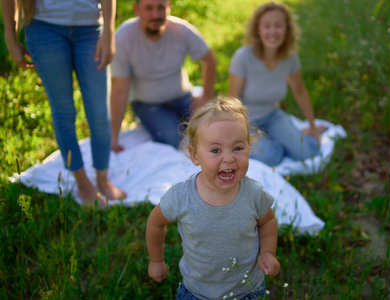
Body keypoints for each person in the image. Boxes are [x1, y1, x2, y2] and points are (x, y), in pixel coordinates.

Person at [146, 96, 280, 299]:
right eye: (215, 150)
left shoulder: (253, 193)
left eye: (238, 148)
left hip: (247, 290)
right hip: (197, 292)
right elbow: (155, 223)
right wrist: (156, 260)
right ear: (195, 155)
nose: (229, 158)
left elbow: (267, 220)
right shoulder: (181, 196)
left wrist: (268, 252)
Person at [1, 0, 127, 206]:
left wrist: (109, 32)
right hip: (43, 29)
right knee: (63, 110)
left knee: (99, 113)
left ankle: (102, 180)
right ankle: (83, 183)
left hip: (91, 29)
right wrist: (10, 35)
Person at [229, 1, 327, 167]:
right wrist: (234, 133)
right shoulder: (243, 57)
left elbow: (300, 92)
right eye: (267, 26)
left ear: (287, 30)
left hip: (273, 115)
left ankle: (288, 135)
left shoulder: (289, 57)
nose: (273, 32)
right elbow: (232, 99)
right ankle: (273, 140)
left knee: (307, 152)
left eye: (278, 26)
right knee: (272, 157)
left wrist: (312, 126)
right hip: (246, 120)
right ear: (258, 30)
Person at [110, 0, 216, 152]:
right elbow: (119, 90)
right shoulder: (124, 37)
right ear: (137, 9)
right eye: (149, 8)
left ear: (169, 7)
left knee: (212, 129)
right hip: (147, 104)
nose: (156, 14)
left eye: (161, 7)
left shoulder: (181, 30)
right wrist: (114, 136)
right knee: (175, 139)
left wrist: (206, 96)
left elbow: (209, 60)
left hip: (182, 97)